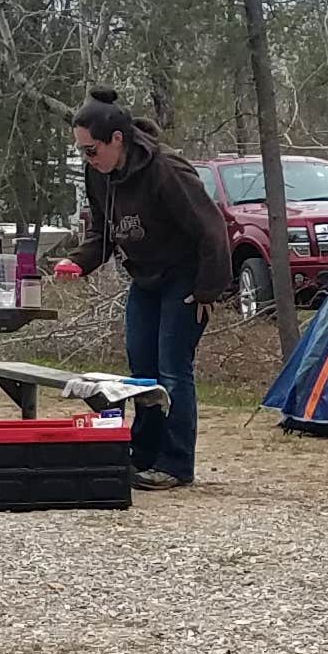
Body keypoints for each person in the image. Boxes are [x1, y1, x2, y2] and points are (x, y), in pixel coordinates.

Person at [65, 91, 233, 489]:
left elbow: (213, 230)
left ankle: (175, 465)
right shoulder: (99, 176)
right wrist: (80, 260)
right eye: (82, 152)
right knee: (141, 371)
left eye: (91, 150)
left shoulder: (165, 170)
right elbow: (103, 232)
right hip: (145, 276)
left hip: (185, 277)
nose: (88, 158)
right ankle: (142, 453)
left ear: (117, 139)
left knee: (172, 369)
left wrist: (208, 290)